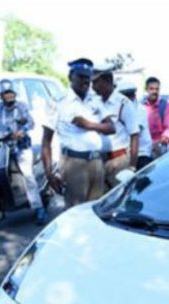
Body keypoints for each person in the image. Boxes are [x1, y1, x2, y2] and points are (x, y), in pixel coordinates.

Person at [42, 58, 115, 208]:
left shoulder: (95, 100)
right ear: (70, 77)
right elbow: (46, 141)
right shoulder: (58, 102)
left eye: (88, 77)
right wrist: (49, 174)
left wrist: (89, 125)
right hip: (74, 165)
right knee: (75, 213)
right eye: (81, 76)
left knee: (95, 212)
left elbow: (111, 128)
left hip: (97, 163)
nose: (86, 81)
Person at [0, 79, 47, 225]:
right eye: (5, 93)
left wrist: (22, 131)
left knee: (27, 176)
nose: (8, 96)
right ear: (1, 95)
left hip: (21, 146)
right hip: (3, 148)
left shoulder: (21, 106)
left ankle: (38, 208)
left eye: (10, 93)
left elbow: (30, 122)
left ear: (14, 93)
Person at [91, 65, 139, 189]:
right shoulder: (94, 102)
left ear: (108, 81)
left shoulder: (123, 103)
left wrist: (132, 167)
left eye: (96, 82)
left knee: (119, 199)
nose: (93, 86)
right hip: (99, 161)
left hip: (119, 161)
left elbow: (134, 135)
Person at [117, 81, 154, 170]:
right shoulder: (121, 107)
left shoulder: (140, 109)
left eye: (130, 95)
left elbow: (134, 132)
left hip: (141, 154)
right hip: (126, 154)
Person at [143, 76, 169, 160]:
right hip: (145, 147)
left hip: (161, 146)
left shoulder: (164, 105)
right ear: (146, 89)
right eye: (151, 89)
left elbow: (168, 128)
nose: (154, 91)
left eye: (157, 89)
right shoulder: (141, 106)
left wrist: (160, 141)